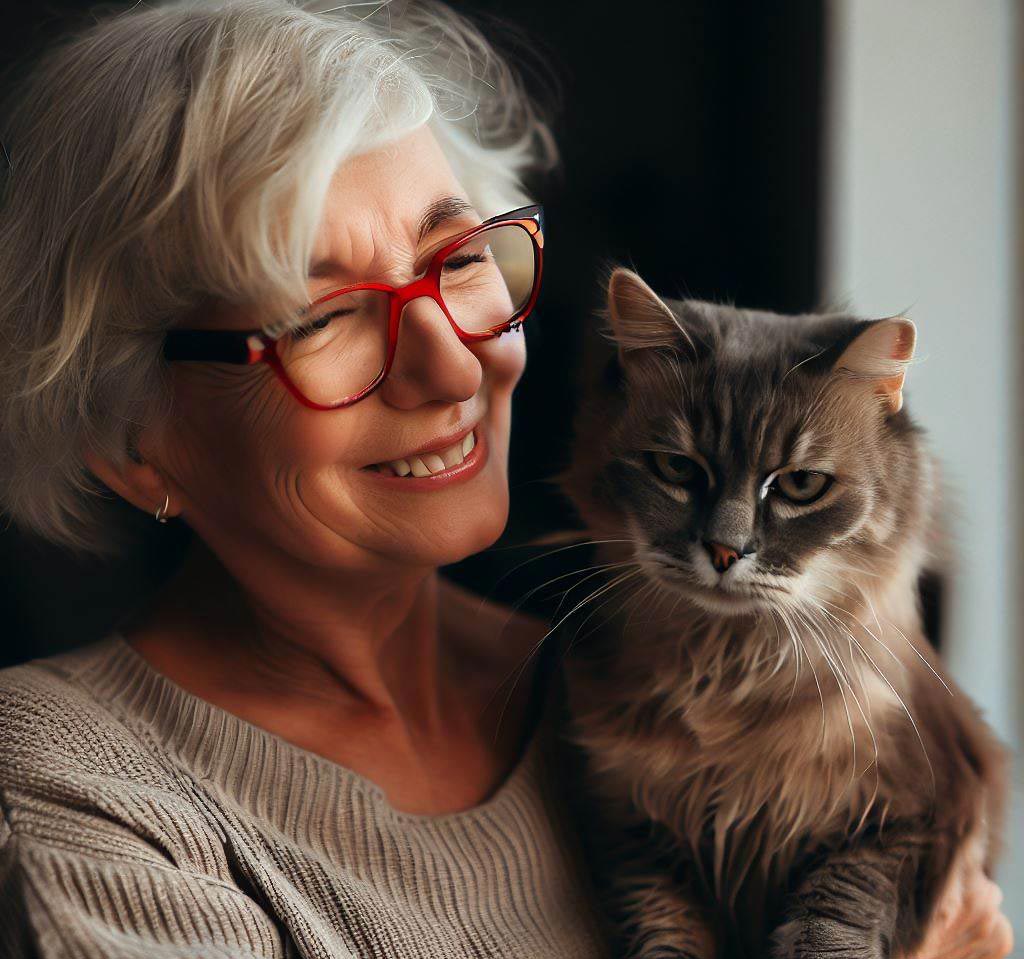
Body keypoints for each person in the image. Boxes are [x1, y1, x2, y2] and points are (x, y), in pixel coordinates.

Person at [0, 1, 1012, 957]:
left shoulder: (631, 672)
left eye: (458, 259)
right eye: (321, 316)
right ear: (131, 437)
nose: (453, 364)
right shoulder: (79, 790)